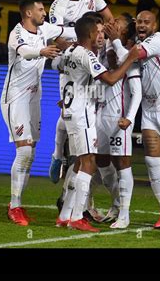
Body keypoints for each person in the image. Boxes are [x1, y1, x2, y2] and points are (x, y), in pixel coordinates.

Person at [109, 10, 160, 230]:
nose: (142, 25)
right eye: (139, 22)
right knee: (151, 161)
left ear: (154, 26)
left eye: (147, 22)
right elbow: (122, 58)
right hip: (149, 111)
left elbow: (133, 55)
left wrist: (118, 43)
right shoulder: (132, 43)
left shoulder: (158, 40)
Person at [55, 16, 139, 232]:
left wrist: (66, 96)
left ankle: (64, 215)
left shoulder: (71, 51)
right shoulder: (86, 54)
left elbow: (60, 70)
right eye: (99, 31)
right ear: (90, 34)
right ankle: (76, 217)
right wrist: (130, 60)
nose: (102, 34)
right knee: (89, 163)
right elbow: (110, 79)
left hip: (71, 111)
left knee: (80, 163)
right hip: (82, 113)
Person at [0, 0, 74, 226]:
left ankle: (17, 204)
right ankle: (14, 206)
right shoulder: (17, 33)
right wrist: (42, 51)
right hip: (16, 98)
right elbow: (24, 52)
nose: (45, 13)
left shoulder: (45, 28)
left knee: (30, 153)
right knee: (23, 152)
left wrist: (93, 25)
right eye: (41, 10)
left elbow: (68, 31)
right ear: (29, 13)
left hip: (34, 96)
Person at [48, 0, 114, 184]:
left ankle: (82, 198)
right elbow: (55, 37)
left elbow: (109, 19)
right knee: (68, 108)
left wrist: (104, 43)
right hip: (69, 56)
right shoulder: (58, 6)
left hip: (91, 52)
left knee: (86, 104)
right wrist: (77, 49)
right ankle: (58, 155)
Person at [96, 16, 141, 228]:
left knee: (123, 165)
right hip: (100, 116)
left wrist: (129, 119)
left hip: (118, 118)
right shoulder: (105, 50)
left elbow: (137, 92)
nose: (112, 23)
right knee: (102, 163)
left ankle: (125, 214)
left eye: (118, 23)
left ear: (124, 33)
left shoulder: (130, 57)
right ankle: (115, 204)